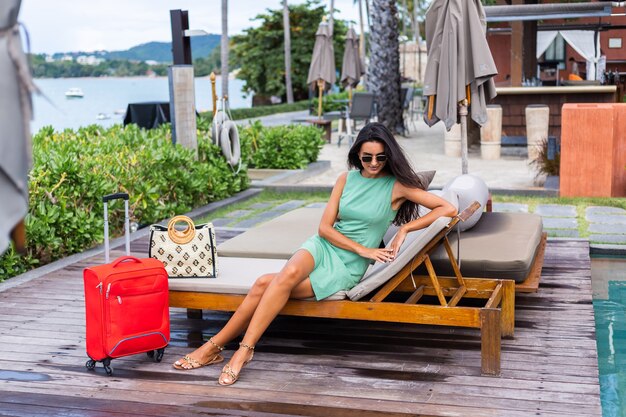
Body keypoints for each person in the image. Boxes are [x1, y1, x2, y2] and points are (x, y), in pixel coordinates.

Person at [172, 122, 458, 386]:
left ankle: (220, 348)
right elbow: (324, 228)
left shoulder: (397, 186)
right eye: (366, 157)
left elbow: (448, 209)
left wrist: (405, 228)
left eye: (380, 158)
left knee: (263, 284)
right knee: (286, 275)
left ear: (388, 157)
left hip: (347, 266)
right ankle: (238, 350)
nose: (373, 163)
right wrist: (363, 248)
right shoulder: (345, 179)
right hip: (324, 246)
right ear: (357, 154)